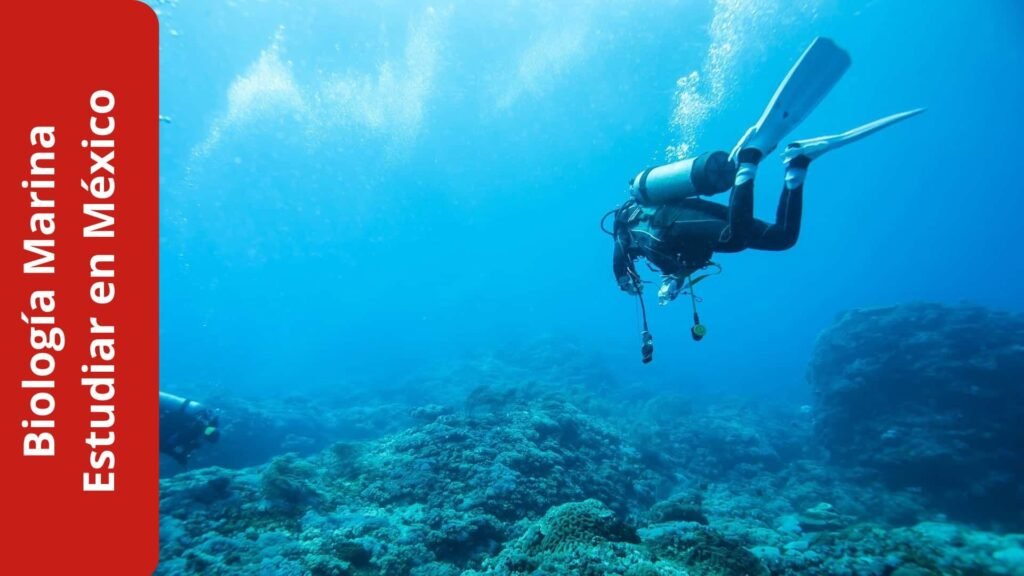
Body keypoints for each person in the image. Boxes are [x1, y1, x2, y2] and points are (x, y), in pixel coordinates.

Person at [608, 37, 923, 362]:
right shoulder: (659, 259)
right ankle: (797, 165)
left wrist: (624, 281)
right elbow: (672, 261)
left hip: (673, 221)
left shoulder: (624, 228)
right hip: (687, 229)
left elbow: (619, 261)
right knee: (782, 238)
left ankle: (749, 157)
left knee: (736, 235)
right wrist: (673, 281)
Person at [159, 391, 220, 465]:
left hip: (170, 412)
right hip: (167, 416)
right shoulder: (195, 430)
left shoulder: (208, 418)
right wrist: (179, 455)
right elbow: (165, 444)